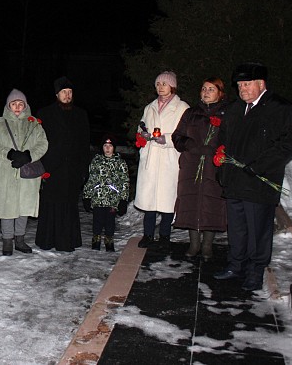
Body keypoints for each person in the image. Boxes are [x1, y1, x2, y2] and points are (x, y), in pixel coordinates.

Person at [214, 63, 292, 292]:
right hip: (234, 181)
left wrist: (258, 167)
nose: (242, 89)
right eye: (240, 85)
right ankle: (235, 265)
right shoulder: (234, 108)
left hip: (259, 182)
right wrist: (221, 165)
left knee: (257, 230)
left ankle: (255, 270)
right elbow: (223, 140)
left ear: (261, 83)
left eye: (247, 84)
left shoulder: (281, 109)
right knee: (237, 228)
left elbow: (287, 146)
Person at [172, 78, 228, 261]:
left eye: (211, 89)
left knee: (211, 203)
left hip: (213, 166)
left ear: (220, 93)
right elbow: (177, 137)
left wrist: (217, 151)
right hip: (191, 165)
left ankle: (207, 245)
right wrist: (193, 147)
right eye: (203, 88)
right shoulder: (190, 113)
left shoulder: (226, 114)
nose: (206, 92)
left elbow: (231, 139)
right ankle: (194, 243)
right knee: (191, 203)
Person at [0, 89, 48, 255]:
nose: (17, 107)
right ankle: (7, 241)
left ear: (25, 105)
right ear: (8, 106)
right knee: (7, 207)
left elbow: (43, 144)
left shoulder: (33, 123)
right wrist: (9, 153)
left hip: (27, 173)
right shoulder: (0, 123)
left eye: (20, 104)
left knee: (24, 205)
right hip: (7, 173)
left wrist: (29, 155)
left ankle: (20, 239)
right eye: (13, 104)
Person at [134, 71, 189, 250]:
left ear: (172, 86)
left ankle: (165, 235)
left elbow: (185, 134)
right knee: (149, 199)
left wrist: (165, 138)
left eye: (164, 84)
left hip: (168, 158)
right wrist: (142, 134)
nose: (160, 88)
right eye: (158, 84)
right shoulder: (149, 107)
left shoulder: (182, 108)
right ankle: (148, 235)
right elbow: (142, 124)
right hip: (151, 157)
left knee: (167, 200)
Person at [35, 76, 91, 252]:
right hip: (52, 167)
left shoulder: (80, 114)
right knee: (51, 205)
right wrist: (43, 165)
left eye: (70, 92)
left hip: (72, 168)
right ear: (57, 94)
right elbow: (39, 141)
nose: (67, 96)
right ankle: (48, 240)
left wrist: (84, 168)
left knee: (69, 205)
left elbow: (84, 142)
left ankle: (67, 241)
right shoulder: (45, 113)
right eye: (64, 92)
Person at [82, 134, 129, 252]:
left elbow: (125, 181)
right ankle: (96, 241)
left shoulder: (120, 163)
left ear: (114, 148)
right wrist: (87, 196)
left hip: (113, 200)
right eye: (105, 145)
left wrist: (123, 199)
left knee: (110, 223)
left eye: (110, 146)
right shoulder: (96, 162)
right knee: (97, 221)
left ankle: (109, 242)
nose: (107, 148)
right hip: (98, 198)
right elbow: (90, 179)